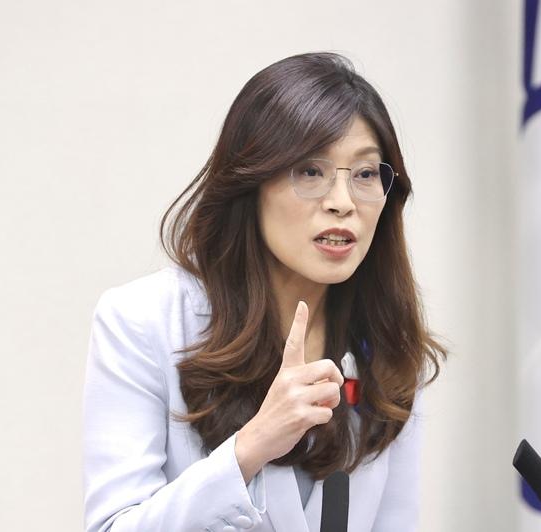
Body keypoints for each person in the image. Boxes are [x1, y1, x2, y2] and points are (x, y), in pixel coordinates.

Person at [82, 52, 446, 532]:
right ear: (251, 182)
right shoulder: (143, 320)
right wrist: (252, 446)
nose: (342, 203)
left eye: (364, 174)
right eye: (310, 172)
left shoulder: (386, 342)